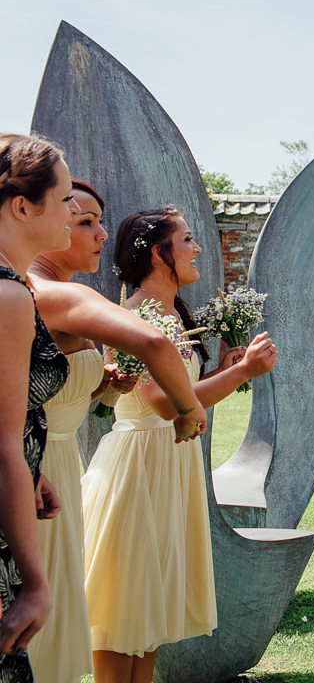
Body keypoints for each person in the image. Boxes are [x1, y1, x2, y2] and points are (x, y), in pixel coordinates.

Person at [82, 207, 277, 683]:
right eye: (187, 239)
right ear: (158, 252)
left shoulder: (169, 315)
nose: (196, 249)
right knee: (124, 605)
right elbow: (163, 404)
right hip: (139, 468)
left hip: (170, 464)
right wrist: (242, 372)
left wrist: (219, 373)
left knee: (151, 609)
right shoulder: (137, 317)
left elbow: (182, 394)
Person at [26, 182, 207, 683]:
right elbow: (151, 344)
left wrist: (103, 387)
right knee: (80, 620)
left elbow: (44, 389)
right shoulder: (56, 294)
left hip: (56, 467)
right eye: (81, 220)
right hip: (43, 467)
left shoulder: (58, 296)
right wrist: (191, 409)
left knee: (87, 616)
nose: (99, 232)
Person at [0, 133, 74, 683]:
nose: (74, 210)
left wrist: (33, 467)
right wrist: (34, 581)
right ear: (23, 206)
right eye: (66, 196)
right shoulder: (7, 297)